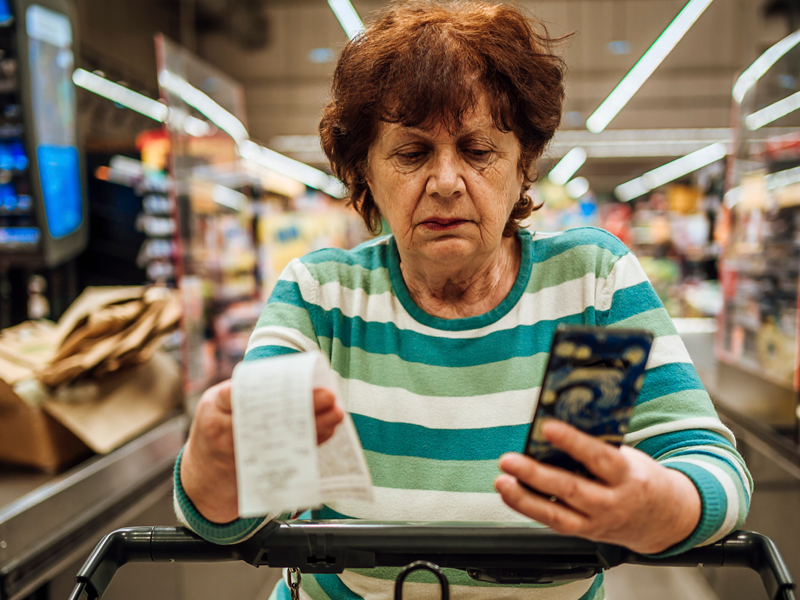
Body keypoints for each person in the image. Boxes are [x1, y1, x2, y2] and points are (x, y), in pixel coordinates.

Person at [175, 1, 752, 598]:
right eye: (412, 153)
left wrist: (660, 506)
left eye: (478, 152)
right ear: (365, 172)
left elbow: (712, 468)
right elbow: (239, 513)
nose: (447, 181)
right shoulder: (324, 299)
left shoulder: (588, 285)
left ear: (522, 165)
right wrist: (215, 471)